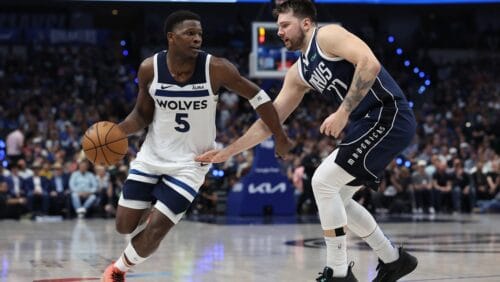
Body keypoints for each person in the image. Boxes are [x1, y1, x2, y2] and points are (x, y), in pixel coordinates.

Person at [196, 1, 417, 281]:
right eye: (277, 26)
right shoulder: (299, 72)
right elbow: (270, 122)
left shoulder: (328, 36)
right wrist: (228, 151)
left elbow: (369, 63)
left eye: (284, 24)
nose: (279, 32)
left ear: (306, 23)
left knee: (322, 182)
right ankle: (393, 259)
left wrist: (343, 111)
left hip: (389, 115)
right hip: (368, 122)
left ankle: (338, 272)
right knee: (339, 199)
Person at [101, 10, 292, 281]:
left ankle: (118, 269)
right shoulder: (149, 68)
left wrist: (280, 136)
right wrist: (117, 132)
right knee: (123, 226)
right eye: (189, 33)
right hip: (151, 157)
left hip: (192, 164)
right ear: (171, 38)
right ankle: (153, 200)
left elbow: (259, 96)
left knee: (156, 230)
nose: (197, 39)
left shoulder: (216, 68)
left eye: (199, 34)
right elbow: (142, 114)